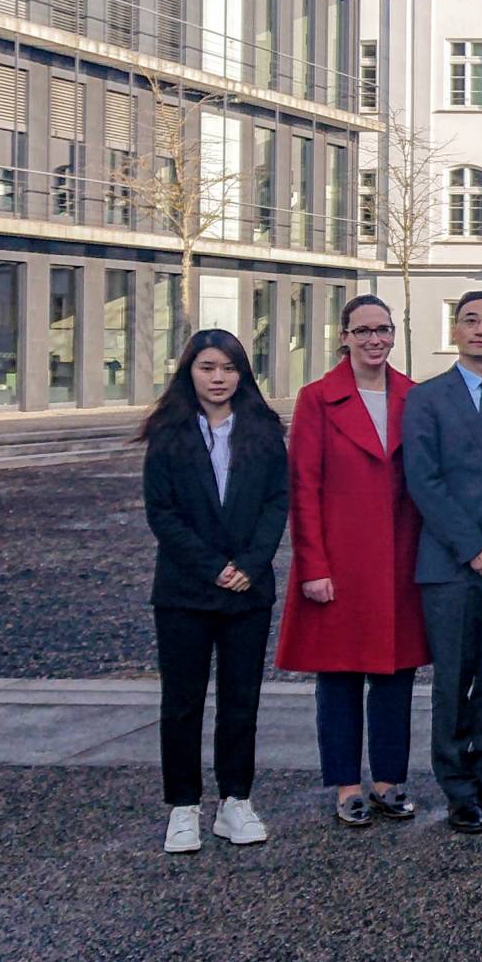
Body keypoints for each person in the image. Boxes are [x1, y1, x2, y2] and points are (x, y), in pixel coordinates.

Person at [275, 295, 429, 828]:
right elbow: (304, 487)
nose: (374, 340)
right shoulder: (318, 398)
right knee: (338, 679)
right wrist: (312, 566)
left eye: (382, 330)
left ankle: (388, 781)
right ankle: (346, 785)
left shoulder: (413, 395)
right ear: (344, 336)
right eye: (362, 330)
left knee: (396, 676)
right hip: (339, 563)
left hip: (400, 557)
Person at [137, 329, 289, 854]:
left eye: (228, 368)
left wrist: (248, 564)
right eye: (207, 367)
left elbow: (276, 504)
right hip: (184, 590)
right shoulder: (169, 432)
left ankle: (235, 802)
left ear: (242, 372)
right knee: (181, 702)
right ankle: (182, 807)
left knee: (240, 701)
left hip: (248, 588)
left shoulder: (264, 431)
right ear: (190, 372)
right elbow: (162, 513)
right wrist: (212, 567)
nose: (218, 378)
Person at [402, 291, 482, 835]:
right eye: (471, 321)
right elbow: (424, 482)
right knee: (453, 680)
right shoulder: (427, 399)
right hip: (452, 563)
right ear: (455, 330)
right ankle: (458, 789)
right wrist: (472, 547)